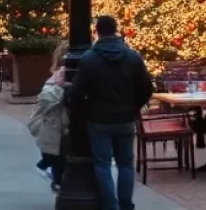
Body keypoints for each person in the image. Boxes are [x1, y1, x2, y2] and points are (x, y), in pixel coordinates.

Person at [65, 15, 153, 210]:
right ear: (116, 29)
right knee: (125, 163)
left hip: (99, 119)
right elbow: (147, 88)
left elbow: (77, 92)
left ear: (97, 31)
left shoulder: (90, 59)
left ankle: (110, 205)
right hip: (125, 117)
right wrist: (134, 105)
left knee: (103, 164)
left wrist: (79, 105)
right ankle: (125, 204)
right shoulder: (132, 56)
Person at [27, 41, 68, 192]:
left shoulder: (57, 76)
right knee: (58, 154)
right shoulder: (57, 78)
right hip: (57, 125)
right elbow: (48, 99)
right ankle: (55, 178)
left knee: (58, 155)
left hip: (58, 126)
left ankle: (52, 172)